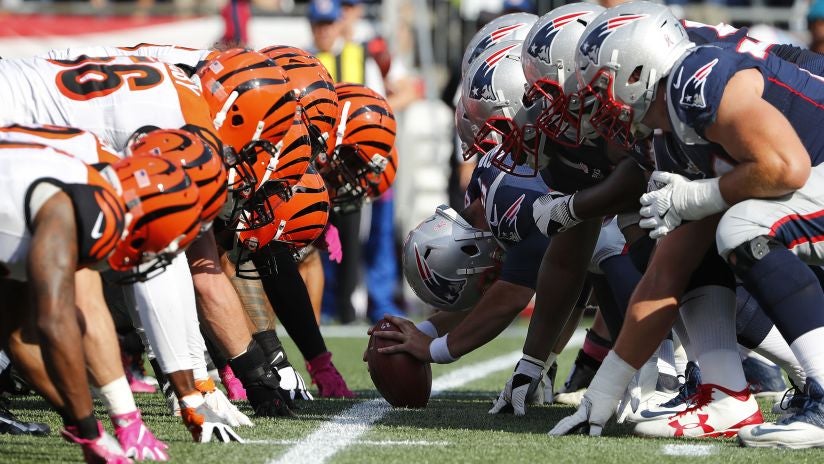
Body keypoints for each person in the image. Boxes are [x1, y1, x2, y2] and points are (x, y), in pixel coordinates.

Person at [550, 2, 824, 447]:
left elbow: (786, 167)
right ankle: (724, 394)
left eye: (600, 87)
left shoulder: (695, 80)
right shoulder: (669, 136)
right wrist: (602, 393)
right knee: (687, 246)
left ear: (636, 71)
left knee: (741, 228)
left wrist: (697, 197)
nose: (596, 105)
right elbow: (665, 276)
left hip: (809, 170)